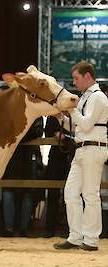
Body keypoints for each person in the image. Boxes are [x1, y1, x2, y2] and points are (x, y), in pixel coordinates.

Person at [54, 61, 108, 251]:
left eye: (76, 78)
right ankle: (76, 237)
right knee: (70, 192)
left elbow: (85, 125)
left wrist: (70, 109)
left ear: (87, 76)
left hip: (94, 148)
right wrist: (61, 116)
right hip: (82, 148)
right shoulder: (85, 97)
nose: (74, 83)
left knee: (90, 194)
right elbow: (77, 125)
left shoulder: (99, 97)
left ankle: (91, 239)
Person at [1, 117, 44, 237]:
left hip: (28, 156)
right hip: (11, 156)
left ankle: (22, 228)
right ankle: (9, 228)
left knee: (27, 193)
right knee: (8, 191)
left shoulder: (35, 113)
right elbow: (4, 130)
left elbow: (38, 131)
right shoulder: (13, 110)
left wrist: (18, 134)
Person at [44, 116, 74, 238]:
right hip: (56, 157)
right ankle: (49, 229)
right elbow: (50, 133)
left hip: (71, 156)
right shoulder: (53, 116)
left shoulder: (74, 115)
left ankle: (70, 229)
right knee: (53, 194)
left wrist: (66, 137)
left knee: (72, 194)